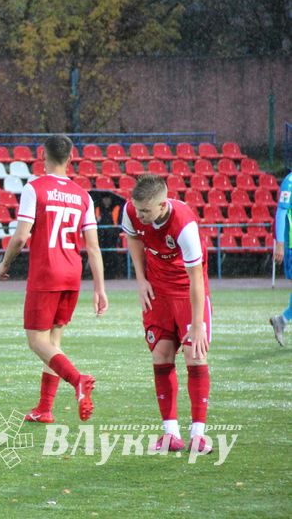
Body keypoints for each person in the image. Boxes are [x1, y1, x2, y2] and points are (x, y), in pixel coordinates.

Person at [0, 135, 107, 424]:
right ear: (71, 157)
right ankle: (45, 409)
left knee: (36, 342)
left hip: (46, 272)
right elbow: (93, 247)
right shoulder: (83, 195)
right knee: (54, 341)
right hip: (72, 273)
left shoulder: (35, 189)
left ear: (42, 155)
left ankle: (77, 380)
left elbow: (21, 236)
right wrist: (99, 289)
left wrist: (4, 263)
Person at [123, 173, 212, 454]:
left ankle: (198, 434)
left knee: (194, 355)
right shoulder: (132, 211)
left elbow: (196, 277)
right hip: (157, 294)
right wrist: (141, 279)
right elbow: (133, 238)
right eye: (138, 209)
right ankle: (170, 433)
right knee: (160, 354)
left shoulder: (184, 224)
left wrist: (197, 324)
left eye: (146, 211)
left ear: (162, 205)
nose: (140, 215)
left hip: (187, 293)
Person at [269, 170, 292, 346]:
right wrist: (281, 244)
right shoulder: (289, 182)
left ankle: (282, 320)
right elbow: (281, 212)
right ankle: (282, 320)